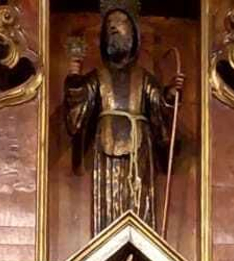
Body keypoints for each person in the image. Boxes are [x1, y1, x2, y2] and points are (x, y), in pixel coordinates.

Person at [63, 1, 178, 236]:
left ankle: (142, 240)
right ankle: (108, 239)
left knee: (139, 195)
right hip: (106, 145)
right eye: (110, 25)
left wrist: (169, 96)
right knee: (110, 194)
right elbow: (79, 102)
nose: (114, 28)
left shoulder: (143, 77)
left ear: (134, 34)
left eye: (121, 23)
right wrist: (74, 76)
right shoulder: (98, 76)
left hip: (139, 147)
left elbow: (160, 108)